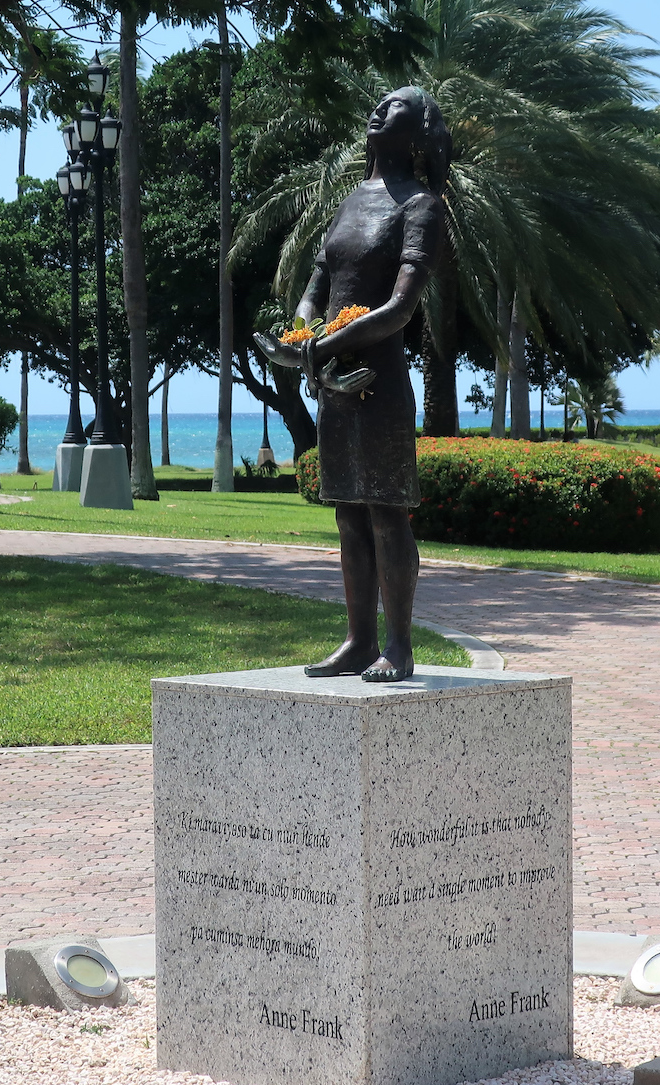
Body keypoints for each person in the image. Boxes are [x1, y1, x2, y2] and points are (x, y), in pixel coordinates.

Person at [256, 86, 452, 682]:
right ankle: (358, 640)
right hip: (334, 380)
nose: (378, 108)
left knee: (387, 511)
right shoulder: (349, 202)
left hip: (379, 378)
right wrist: (304, 338)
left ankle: (398, 644)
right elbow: (316, 285)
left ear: (417, 132)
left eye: (394, 105)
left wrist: (318, 350)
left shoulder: (421, 206)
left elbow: (399, 308)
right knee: (347, 513)